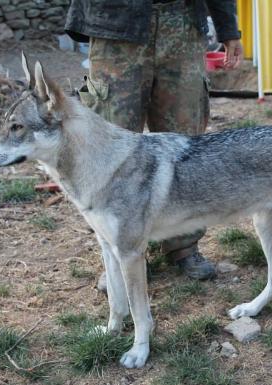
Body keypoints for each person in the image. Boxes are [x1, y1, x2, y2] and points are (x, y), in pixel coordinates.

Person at [64, 0, 243, 284]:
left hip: (182, 22)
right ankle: (118, 255)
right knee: (111, 146)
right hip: (116, 26)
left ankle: (184, 247)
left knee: (187, 146)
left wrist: (228, 28)